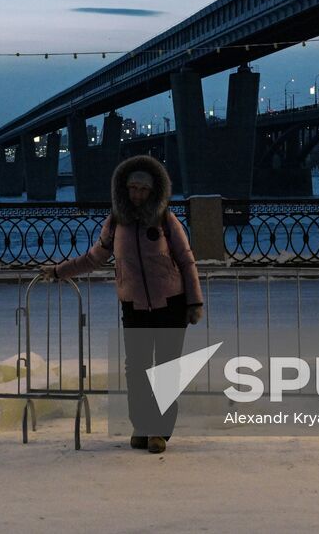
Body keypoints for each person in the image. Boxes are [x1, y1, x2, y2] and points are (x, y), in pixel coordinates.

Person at [42, 155, 203, 454]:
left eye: (143, 189)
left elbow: (186, 260)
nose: (137, 194)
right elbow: (94, 258)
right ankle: (141, 425)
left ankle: (159, 432)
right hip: (134, 306)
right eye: (132, 188)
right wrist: (58, 270)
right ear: (123, 189)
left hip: (172, 304)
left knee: (167, 369)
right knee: (137, 369)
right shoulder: (117, 221)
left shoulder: (166, 219)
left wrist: (194, 302)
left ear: (154, 190)